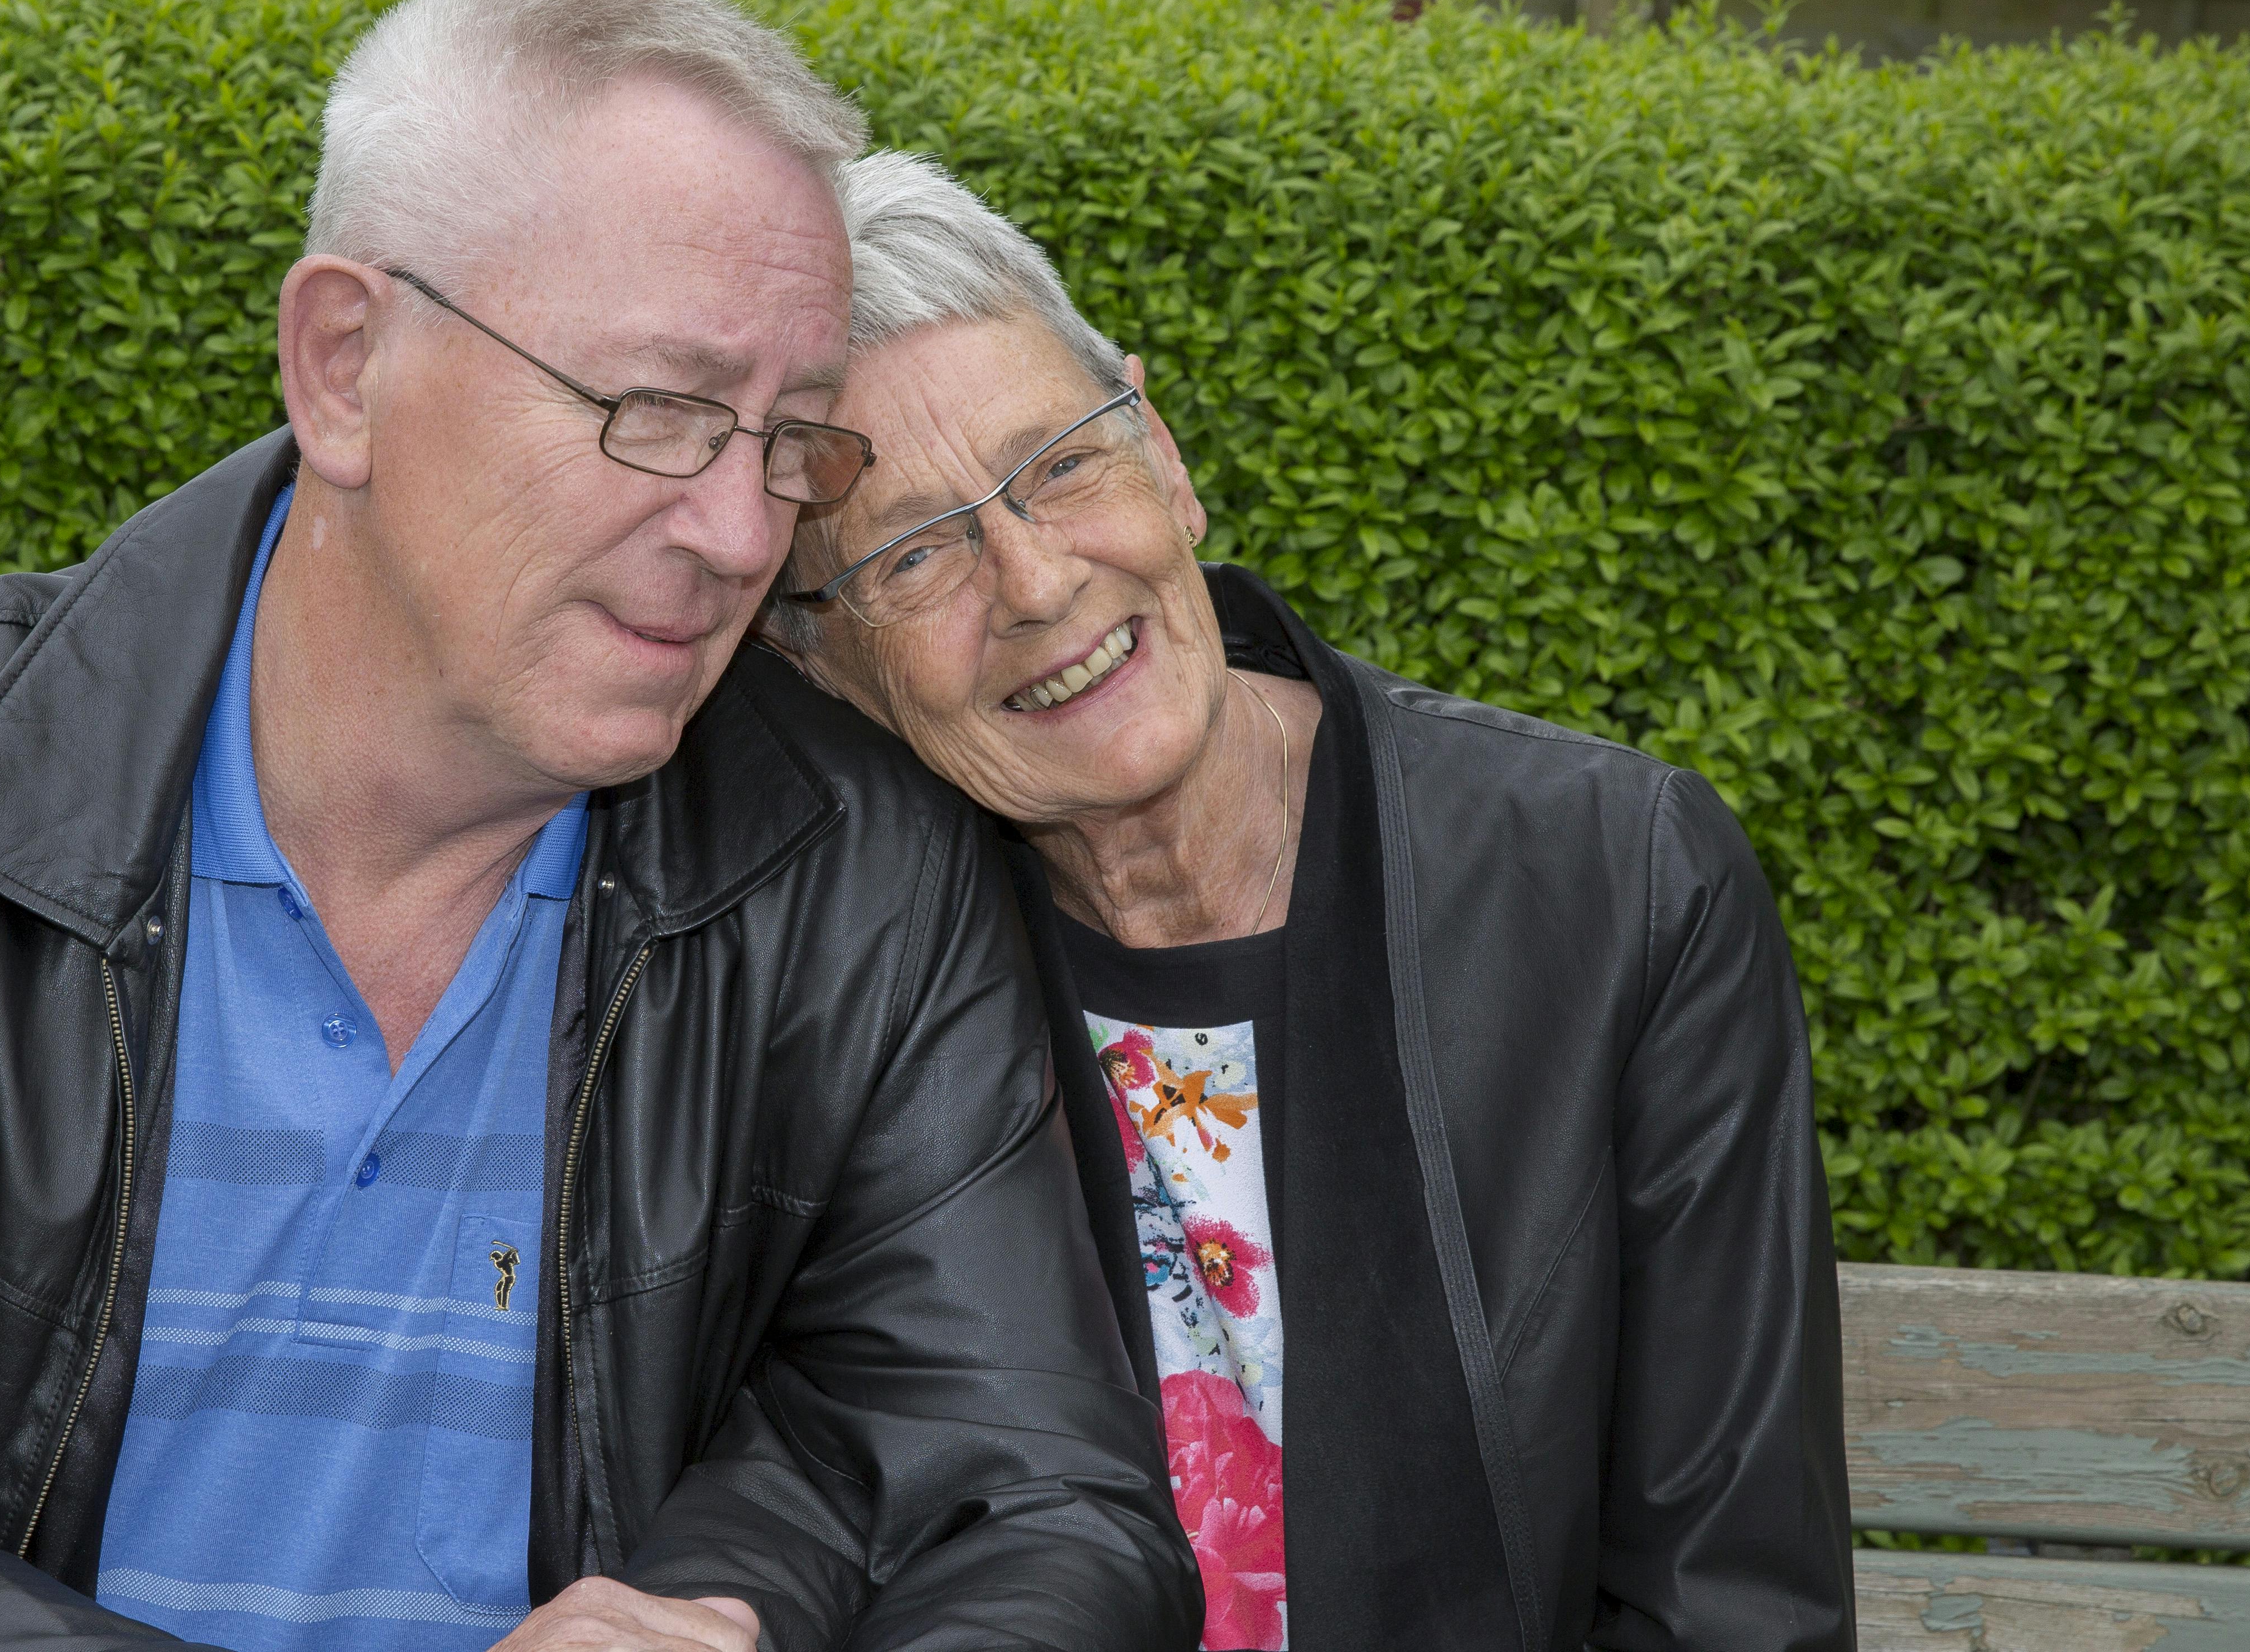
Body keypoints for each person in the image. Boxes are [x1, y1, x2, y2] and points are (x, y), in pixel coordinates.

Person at [0, 0, 1198, 1652]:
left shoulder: (859, 869)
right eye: (656, 413)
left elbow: (1040, 1513)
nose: (742, 535)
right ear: (345, 367)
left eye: (791, 441)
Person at [764, 153, 1856, 1651]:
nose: (1034, 583)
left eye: (1063, 467)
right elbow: (802, 1472)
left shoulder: (1620, 882)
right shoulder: (836, 974)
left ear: (1163, 453)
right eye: (911, 554)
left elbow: (1732, 1599)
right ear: (821, 664)